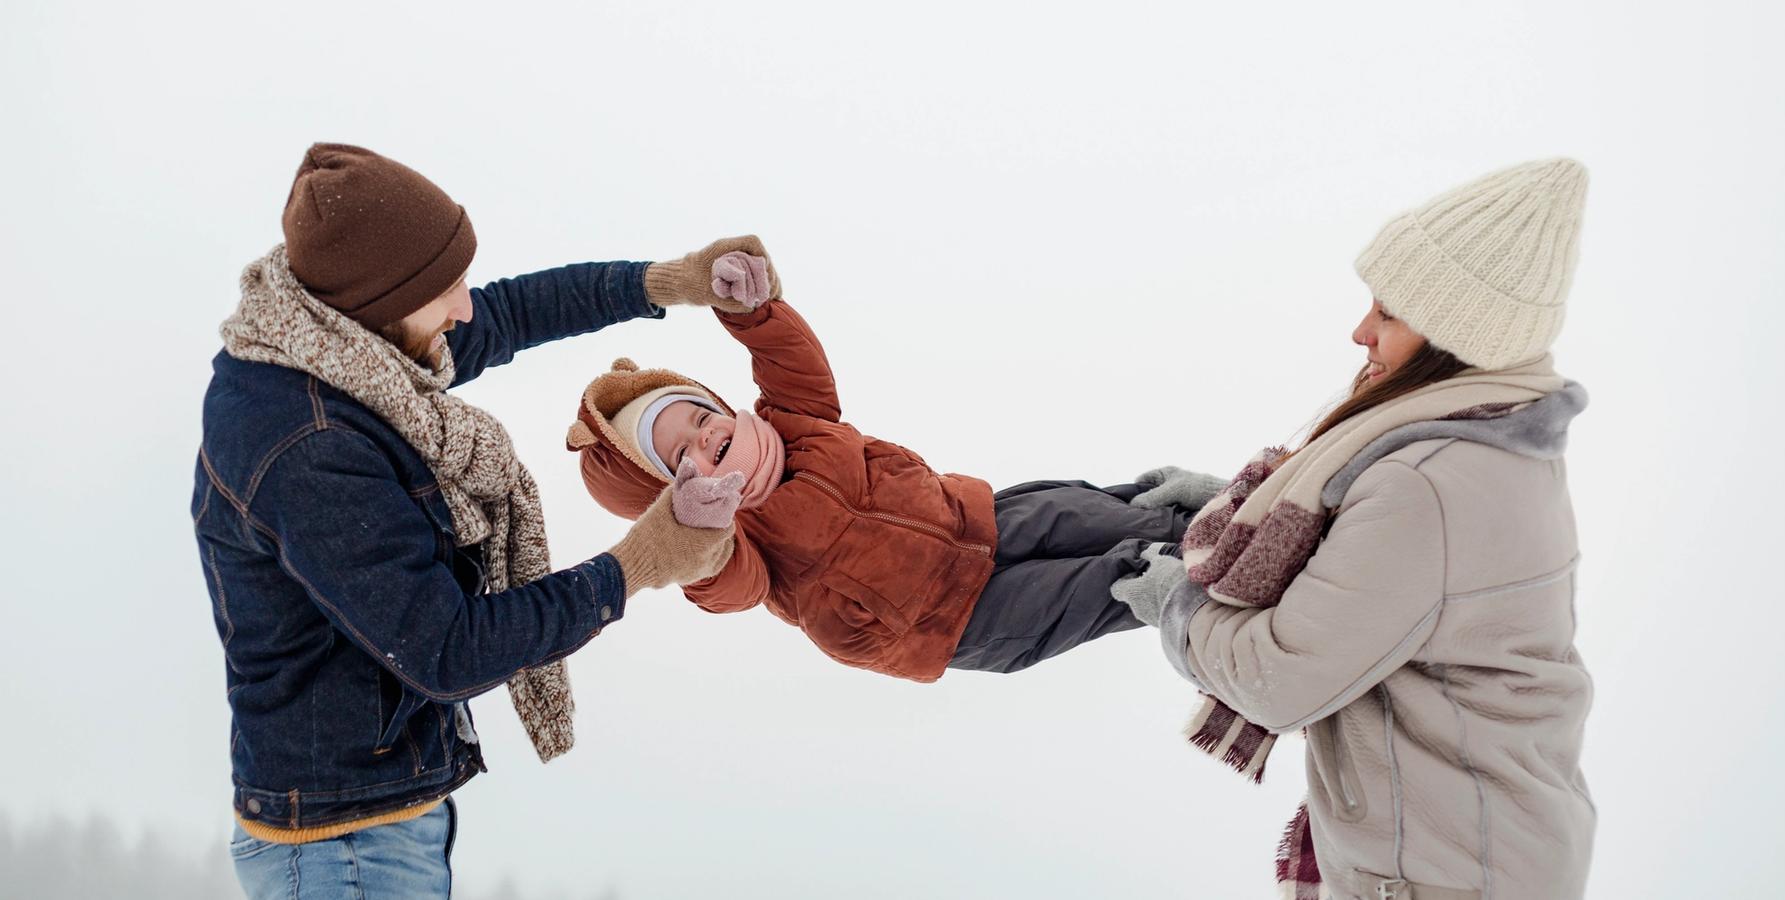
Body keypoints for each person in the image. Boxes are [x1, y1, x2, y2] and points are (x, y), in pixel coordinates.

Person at [192, 142, 756, 898]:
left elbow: (513, 311)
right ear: (380, 302)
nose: (464, 308)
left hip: (377, 820)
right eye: (447, 290)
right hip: (343, 848)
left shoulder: (346, 346)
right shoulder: (311, 446)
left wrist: (669, 281)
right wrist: (641, 561)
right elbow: (446, 646)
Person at [1118, 158, 1596, 899]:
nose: (1359, 332)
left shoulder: (1427, 483)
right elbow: (1389, 574)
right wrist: (1234, 510)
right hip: (1489, 848)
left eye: (1389, 314)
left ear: (1454, 336)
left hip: (1442, 874)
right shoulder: (1498, 438)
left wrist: (1179, 603)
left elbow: (1279, 679)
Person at [567, 253, 1225, 681]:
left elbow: (792, 362)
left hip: (975, 518)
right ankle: (1202, 582)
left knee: (1085, 514)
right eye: (680, 454)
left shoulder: (792, 422)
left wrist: (752, 311)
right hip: (946, 618)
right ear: (671, 493)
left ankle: (1209, 513)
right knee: (1112, 581)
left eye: (697, 415)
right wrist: (698, 534)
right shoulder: (737, 540)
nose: (705, 437)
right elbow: (725, 585)